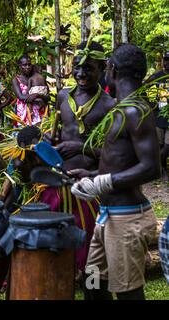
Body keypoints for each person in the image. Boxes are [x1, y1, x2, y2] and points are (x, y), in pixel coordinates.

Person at [70, 44, 160, 300]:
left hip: (127, 220)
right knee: (93, 283)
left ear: (113, 69)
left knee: (128, 292)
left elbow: (151, 167)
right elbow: (119, 158)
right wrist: (89, 177)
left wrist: (103, 183)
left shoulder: (135, 111)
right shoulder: (121, 109)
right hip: (107, 216)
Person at [40, 41, 115, 277]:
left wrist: (81, 148)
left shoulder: (109, 105)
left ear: (102, 69)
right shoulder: (63, 96)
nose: (81, 74)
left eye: (88, 68)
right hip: (57, 178)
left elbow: (113, 154)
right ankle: (56, 272)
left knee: (88, 240)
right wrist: (50, 139)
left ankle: (88, 277)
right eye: (77, 67)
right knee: (50, 231)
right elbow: (57, 132)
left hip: (87, 183)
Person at [145, 51, 169, 180]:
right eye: (166, 60)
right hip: (158, 116)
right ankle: (161, 169)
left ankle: (152, 165)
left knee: (167, 146)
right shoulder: (156, 77)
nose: (167, 62)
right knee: (159, 145)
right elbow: (149, 97)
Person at [12, 55, 50, 126]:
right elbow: (21, 97)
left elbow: (48, 97)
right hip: (24, 116)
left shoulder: (38, 79)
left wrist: (37, 95)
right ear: (20, 66)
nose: (27, 67)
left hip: (41, 115)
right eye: (24, 65)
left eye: (29, 64)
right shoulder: (16, 80)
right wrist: (37, 97)